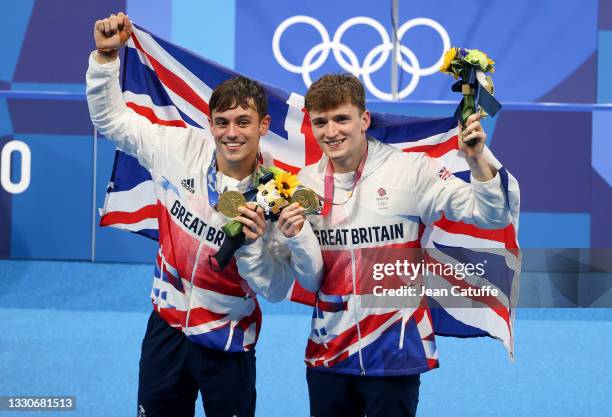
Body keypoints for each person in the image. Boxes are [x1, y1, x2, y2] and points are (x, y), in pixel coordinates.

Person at [86, 12, 323, 417]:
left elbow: (279, 288)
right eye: (223, 122)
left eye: (243, 122)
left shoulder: (278, 195)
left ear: (263, 125)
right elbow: (112, 121)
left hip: (228, 342)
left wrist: (251, 251)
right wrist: (106, 60)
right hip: (166, 329)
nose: (232, 132)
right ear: (210, 125)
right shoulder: (177, 150)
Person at [297, 73, 519, 417]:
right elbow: (309, 273)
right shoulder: (304, 183)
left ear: (364, 119)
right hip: (329, 350)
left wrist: (477, 161)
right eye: (321, 122)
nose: (331, 132)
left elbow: (491, 216)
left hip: (395, 349)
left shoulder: (411, 171)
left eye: (342, 118)